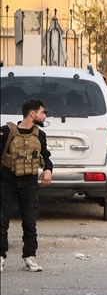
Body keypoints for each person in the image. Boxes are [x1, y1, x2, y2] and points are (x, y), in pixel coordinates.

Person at [1, 99, 53, 273]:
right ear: (33, 114)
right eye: (42, 112)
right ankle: (1, 256)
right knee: (2, 220)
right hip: (7, 180)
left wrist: (48, 170)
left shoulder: (39, 135)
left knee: (29, 221)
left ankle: (29, 256)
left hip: (29, 182)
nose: (44, 115)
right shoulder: (6, 131)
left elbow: (46, 156)